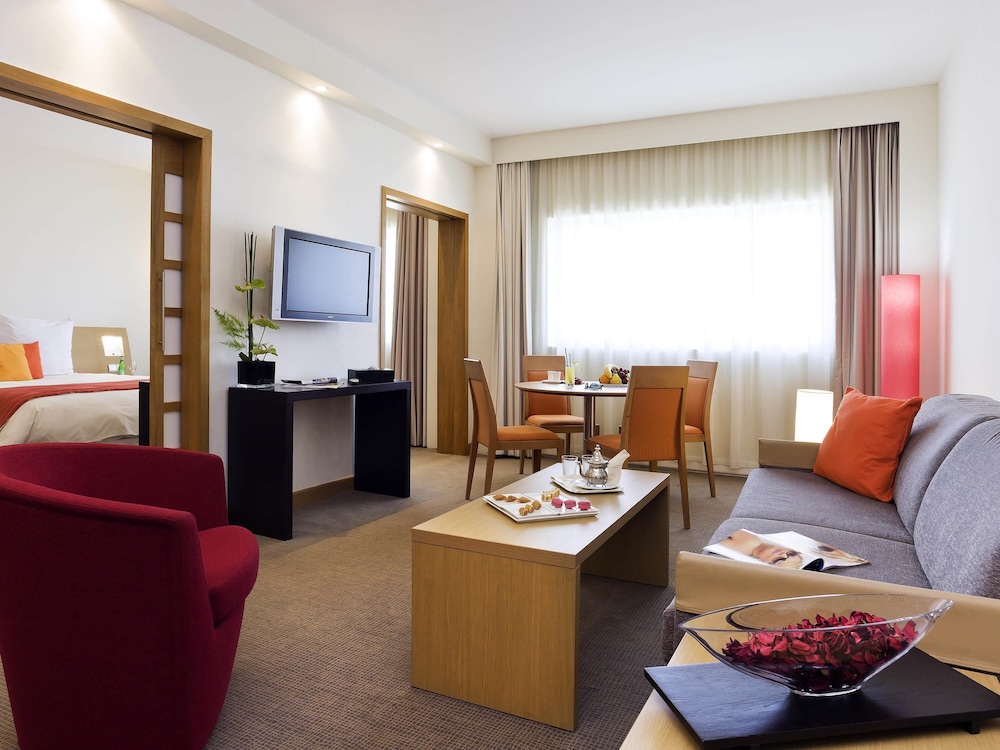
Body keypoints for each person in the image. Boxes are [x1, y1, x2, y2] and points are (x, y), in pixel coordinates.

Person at [719, 529, 804, 568]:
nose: (783, 554)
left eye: (779, 560)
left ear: (767, 564)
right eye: (791, 554)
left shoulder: (751, 542)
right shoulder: (755, 543)